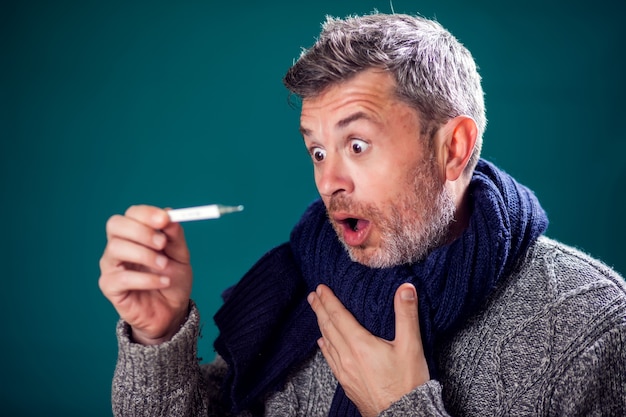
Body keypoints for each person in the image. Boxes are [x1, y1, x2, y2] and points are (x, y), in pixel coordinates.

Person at [98, 12, 626, 417]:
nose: (329, 182)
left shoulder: (592, 329)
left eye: (356, 144)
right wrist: (157, 336)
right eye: (318, 152)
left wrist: (402, 406)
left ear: (455, 147)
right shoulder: (307, 280)